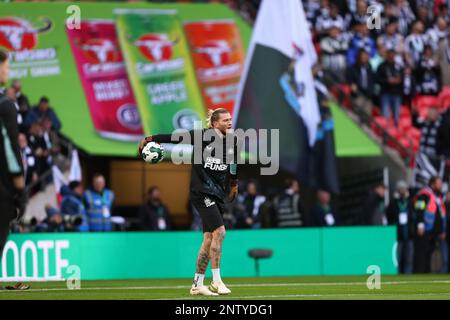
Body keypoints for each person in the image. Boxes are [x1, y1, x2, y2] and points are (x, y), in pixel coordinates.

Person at [138, 107, 239, 296]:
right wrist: (150, 139)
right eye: (226, 120)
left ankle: (197, 284)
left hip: (217, 194)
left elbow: (233, 163)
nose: (230, 123)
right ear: (215, 124)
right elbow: (174, 137)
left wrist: (233, 184)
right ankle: (216, 281)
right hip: (201, 193)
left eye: (230, 119)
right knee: (220, 232)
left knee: (208, 239)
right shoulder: (201, 136)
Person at [0, 49, 29, 290]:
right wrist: (20, 187)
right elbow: (10, 147)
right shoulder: (5, 105)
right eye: (6, 66)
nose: (8, 71)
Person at [413, 176, 447, 273]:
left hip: (433, 231)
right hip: (424, 230)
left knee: (429, 254)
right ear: (433, 183)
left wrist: (441, 231)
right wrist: (420, 225)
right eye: (439, 183)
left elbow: (440, 215)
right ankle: (419, 276)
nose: (441, 185)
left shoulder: (437, 196)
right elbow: (419, 209)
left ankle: (426, 274)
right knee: (421, 255)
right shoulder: (424, 194)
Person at [386, 180, 415, 274]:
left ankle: (408, 276)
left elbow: (414, 215)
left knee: (409, 259)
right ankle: (397, 275)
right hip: (398, 235)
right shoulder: (393, 203)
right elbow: (389, 216)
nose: (402, 191)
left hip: (409, 234)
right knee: (398, 258)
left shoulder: (410, 201)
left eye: (404, 189)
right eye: (401, 189)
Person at [376, 48, 404, 127]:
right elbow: (377, 79)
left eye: (393, 55)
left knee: (396, 115)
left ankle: (395, 132)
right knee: (385, 115)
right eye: (389, 55)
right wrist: (387, 81)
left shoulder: (398, 66)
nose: (391, 57)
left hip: (397, 93)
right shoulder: (381, 66)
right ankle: (386, 131)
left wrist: (399, 80)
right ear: (386, 56)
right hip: (385, 93)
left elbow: (404, 78)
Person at [347, 49, 375, 117]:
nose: (364, 58)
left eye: (366, 56)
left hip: (368, 96)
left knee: (367, 116)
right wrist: (352, 84)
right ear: (359, 57)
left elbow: (372, 80)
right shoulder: (353, 68)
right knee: (357, 115)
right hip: (358, 95)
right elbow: (349, 79)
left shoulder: (369, 67)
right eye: (363, 56)